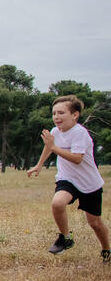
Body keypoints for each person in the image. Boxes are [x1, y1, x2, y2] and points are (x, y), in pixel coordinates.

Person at [27, 94, 109, 261]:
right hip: (67, 179)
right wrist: (39, 164)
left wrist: (53, 147)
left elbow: (77, 158)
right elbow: (48, 148)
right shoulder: (55, 131)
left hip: (89, 183)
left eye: (61, 113)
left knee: (94, 223)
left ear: (75, 115)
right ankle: (66, 237)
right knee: (57, 203)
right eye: (54, 113)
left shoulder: (80, 133)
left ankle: (107, 249)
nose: (56, 117)